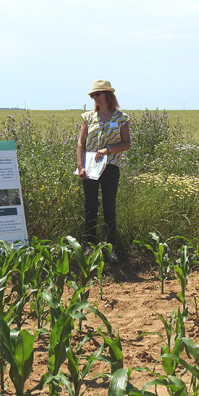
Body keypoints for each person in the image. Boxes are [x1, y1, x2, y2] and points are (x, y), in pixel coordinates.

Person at [77, 80, 131, 263]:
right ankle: (89, 246)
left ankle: (111, 247)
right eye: (93, 95)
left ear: (108, 95)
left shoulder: (121, 118)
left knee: (109, 208)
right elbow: (80, 143)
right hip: (90, 168)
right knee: (90, 207)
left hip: (110, 168)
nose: (95, 97)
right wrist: (80, 166)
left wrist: (108, 149)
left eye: (97, 94)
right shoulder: (88, 117)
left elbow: (126, 143)